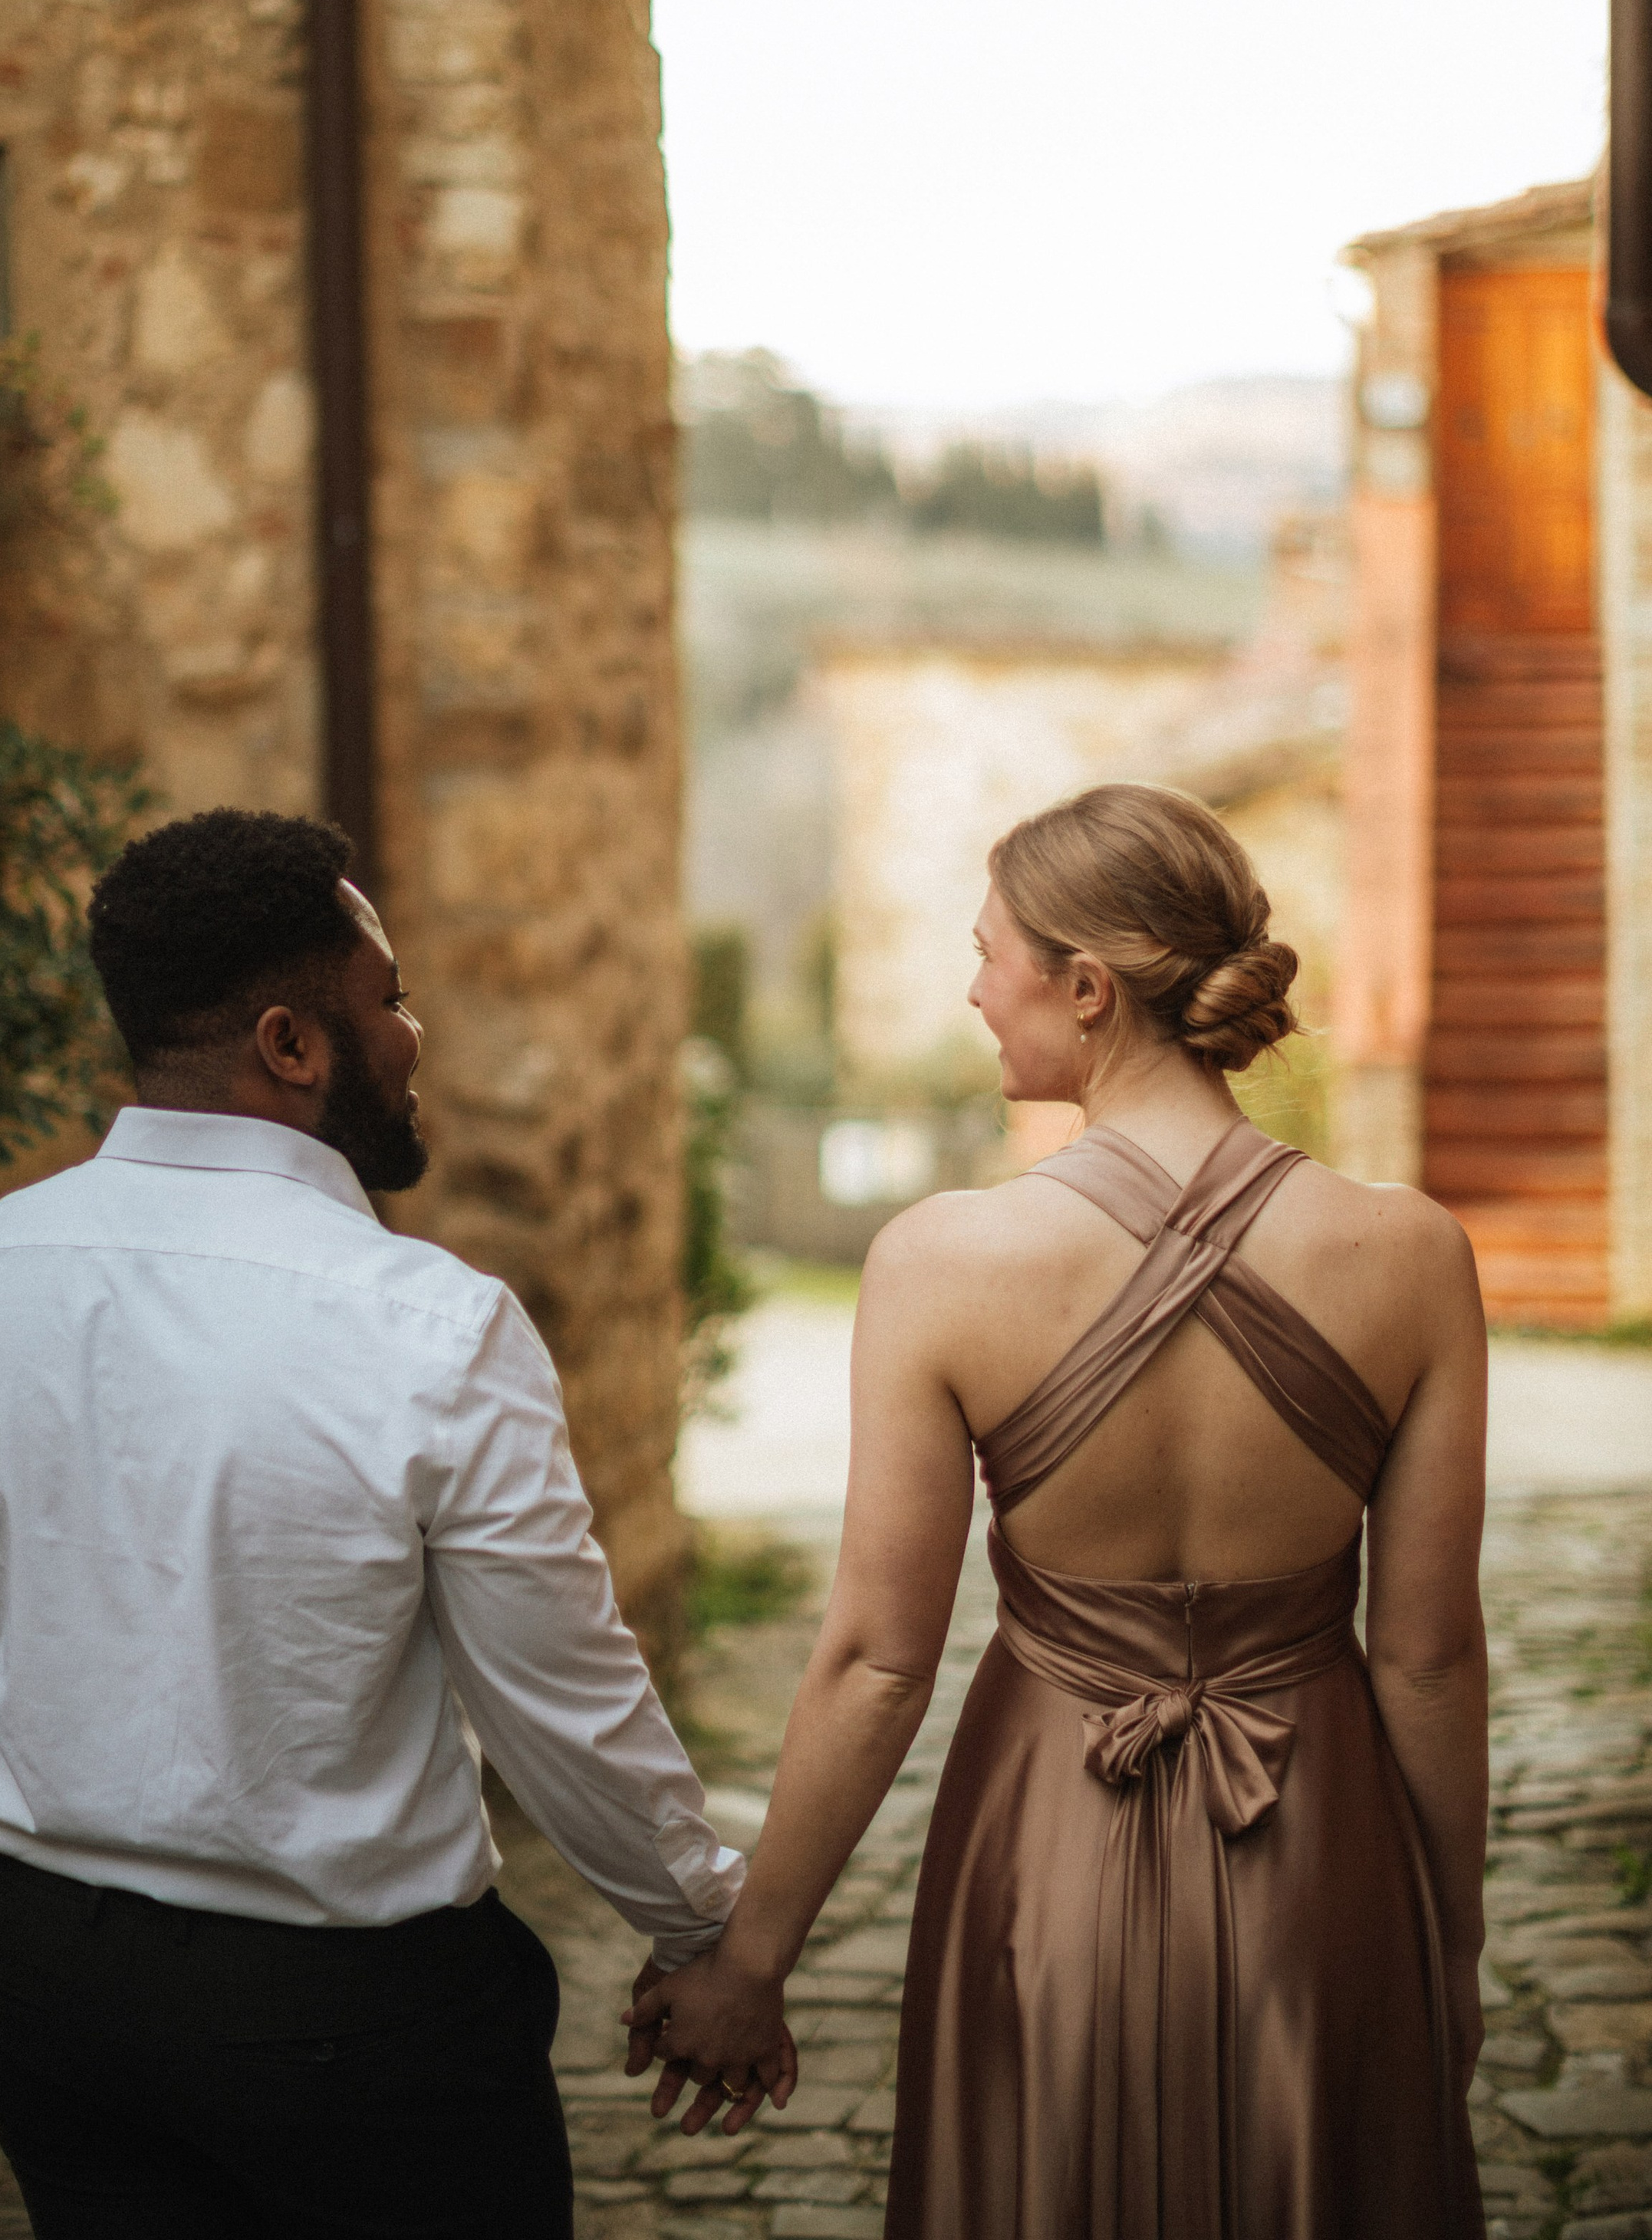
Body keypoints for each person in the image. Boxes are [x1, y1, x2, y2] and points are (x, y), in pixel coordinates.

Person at [0, 808, 780, 2240]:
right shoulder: (430, 1329)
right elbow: (560, 1703)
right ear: (292, 1046)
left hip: (56, 1998)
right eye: (388, 999)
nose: (413, 1036)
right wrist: (707, 1936)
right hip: (355, 2020)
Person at [627, 782, 1489, 2237]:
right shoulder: (1409, 1256)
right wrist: (1445, 1943)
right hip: (1321, 1837)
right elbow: (1425, 1658)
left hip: (1045, 1842)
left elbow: (878, 1658)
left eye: (991, 954)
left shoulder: (941, 1263)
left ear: (1087, 990)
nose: (973, 989)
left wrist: (749, 1962)